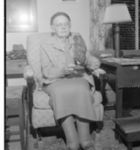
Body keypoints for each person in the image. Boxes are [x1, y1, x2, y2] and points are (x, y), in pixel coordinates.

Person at [28, 12, 104, 150]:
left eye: (65, 24)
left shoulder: (77, 39)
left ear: (70, 26)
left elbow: (90, 59)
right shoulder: (45, 44)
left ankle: (85, 139)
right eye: (59, 24)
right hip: (53, 81)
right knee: (61, 91)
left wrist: (90, 62)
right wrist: (63, 70)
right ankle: (72, 141)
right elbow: (46, 71)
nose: (63, 27)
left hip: (77, 78)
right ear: (52, 28)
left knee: (81, 87)